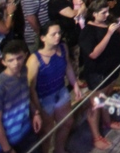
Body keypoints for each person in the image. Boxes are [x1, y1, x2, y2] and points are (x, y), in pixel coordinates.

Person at [79, 0, 120, 150]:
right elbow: (93, 54)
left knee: (107, 96)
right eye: (103, 13)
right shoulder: (88, 31)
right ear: (94, 14)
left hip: (111, 68)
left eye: (107, 11)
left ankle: (107, 121)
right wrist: (108, 33)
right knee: (96, 104)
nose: (107, 15)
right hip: (97, 72)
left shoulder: (109, 22)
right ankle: (96, 136)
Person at [26, 24, 81, 153]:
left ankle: (59, 149)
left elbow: (67, 66)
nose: (58, 36)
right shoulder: (34, 59)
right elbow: (31, 87)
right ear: (43, 38)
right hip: (44, 98)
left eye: (59, 33)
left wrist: (75, 84)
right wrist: (37, 109)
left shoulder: (63, 48)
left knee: (67, 122)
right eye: (53, 34)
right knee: (46, 132)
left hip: (60, 91)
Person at [0, 41, 41, 153]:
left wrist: (35, 113)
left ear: (25, 55)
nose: (16, 63)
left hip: (24, 130)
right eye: (10, 60)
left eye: (19, 58)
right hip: (4, 141)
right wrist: (8, 149)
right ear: (3, 62)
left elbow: (25, 96)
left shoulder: (24, 70)